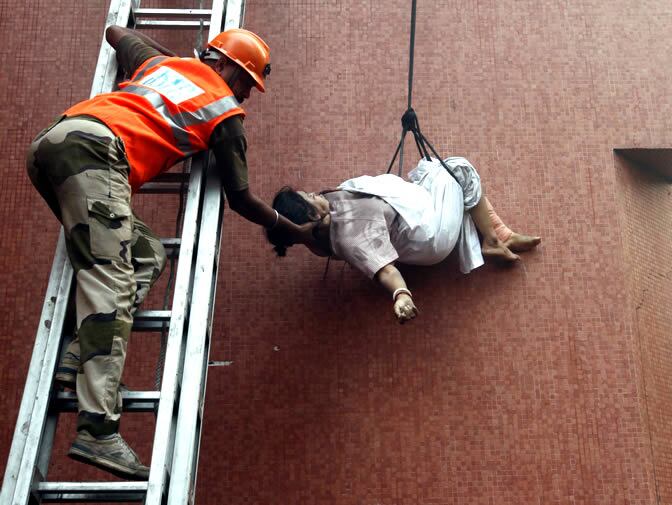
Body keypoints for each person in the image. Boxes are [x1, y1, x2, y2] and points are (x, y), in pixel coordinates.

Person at [26, 25, 312, 479]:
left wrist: (183, 58)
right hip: (96, 154)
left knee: (145, 255)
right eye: (244, 81)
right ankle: (99, 431)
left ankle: (79, 356)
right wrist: (293, 231)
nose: (246, 95)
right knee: (112, 280)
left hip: (55, 143)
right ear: (223, 66)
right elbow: (241, 197)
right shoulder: (225, 113)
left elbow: (116, 32)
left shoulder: (161, 66)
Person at [266, 157, 541, 323]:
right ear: (311, 216)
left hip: (413, 213)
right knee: (457, 169)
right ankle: (493, 240)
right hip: (429, 234)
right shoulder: (350, 237)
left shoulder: (322, 225)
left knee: (435, 171)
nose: (315, 193)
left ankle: (501, 235)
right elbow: (386, 271)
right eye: (309, 198)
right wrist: (401, 295)